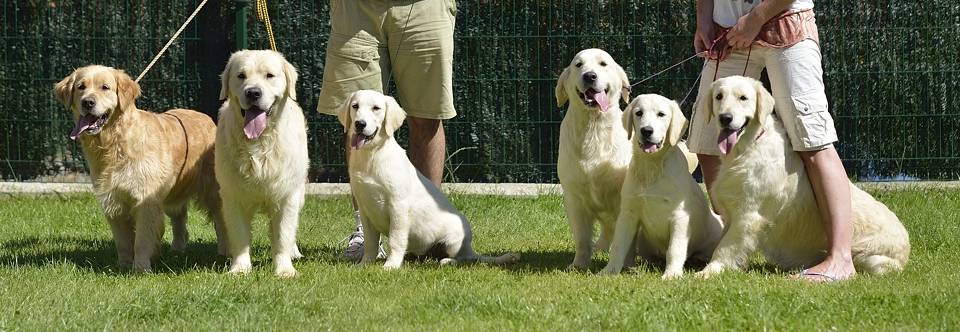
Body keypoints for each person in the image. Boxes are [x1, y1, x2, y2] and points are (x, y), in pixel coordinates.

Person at [687, 0, 855, 281]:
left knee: (812, 143)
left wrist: (756, 18)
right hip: (727, 32)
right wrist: (703, 20)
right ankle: (732, 241)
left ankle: (840, 259)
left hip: (787, 24)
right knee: (706, 144)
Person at [316, 0, 458, 261]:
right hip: (355, 8)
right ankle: (364, 233)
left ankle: (428, 235)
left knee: (426, 119)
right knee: (357, 120)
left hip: (425, 6)